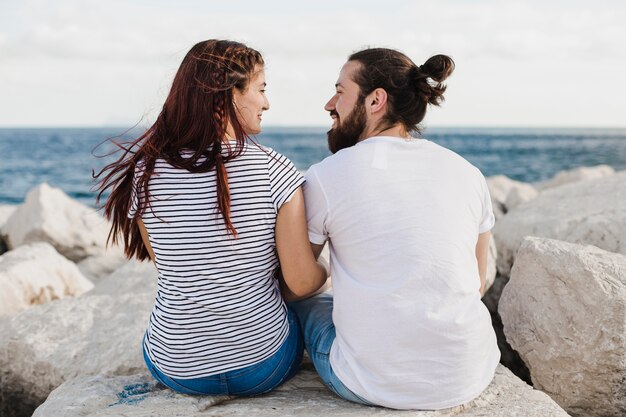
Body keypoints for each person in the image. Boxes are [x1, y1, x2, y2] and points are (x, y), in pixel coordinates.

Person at [94, 39, 327, 396]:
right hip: (262, 366)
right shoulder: (274, 170)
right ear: (230, 94)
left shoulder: (145, 172)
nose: (266, 102)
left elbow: (173, 267)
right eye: (261, 90)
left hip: (176, 367)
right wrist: (325, 272)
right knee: (311, 307)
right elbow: (300, 282)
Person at [283, 48, 500, 410]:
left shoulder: (327, 175)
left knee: (307, 306)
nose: (329, 103)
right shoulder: (467, 172)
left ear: (375, 100)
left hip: (369, 383)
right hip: (468, 373)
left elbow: (293, 285)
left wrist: (324, 277)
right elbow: (476, 284)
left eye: (340, 91)